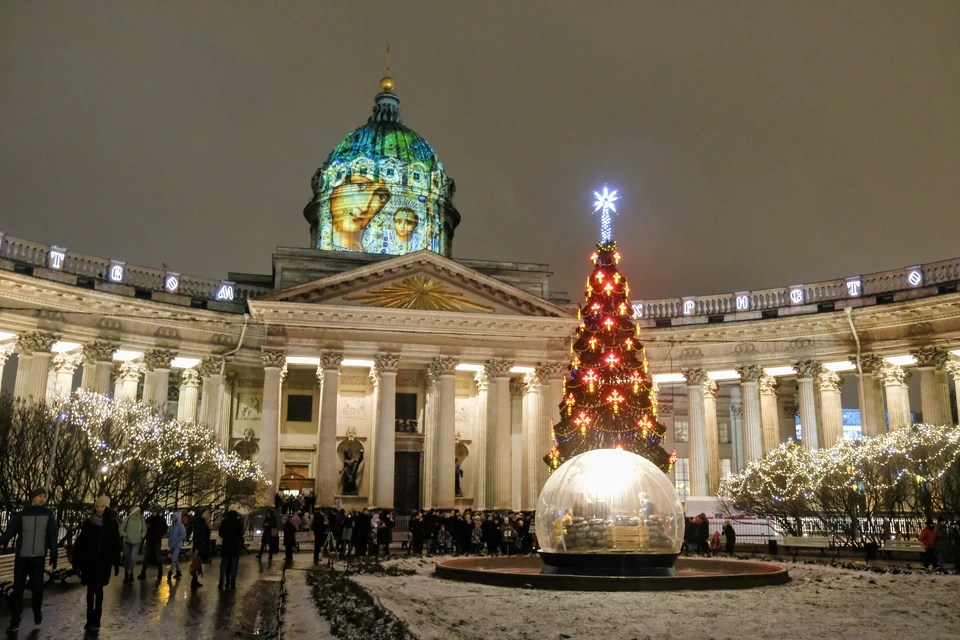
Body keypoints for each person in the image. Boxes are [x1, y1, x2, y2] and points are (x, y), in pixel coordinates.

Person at [0, 487, 58, 634]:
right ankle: (14, 622)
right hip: (22, 559)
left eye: (44, 496)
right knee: (18, 591)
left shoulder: (48, 515)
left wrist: (54, 553)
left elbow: (52, 535)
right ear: (33, 497)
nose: (42, 499)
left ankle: (37, 611)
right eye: (40, 496)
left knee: (37, 589)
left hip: (38, 559)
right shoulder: (22, 515)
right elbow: (9, 533)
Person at [72, 496, 121, 633]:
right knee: (90, 590)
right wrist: (77, 561)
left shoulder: (111, 524)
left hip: (103, 562)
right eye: (98, 506)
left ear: (107, 508)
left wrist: (116, 562)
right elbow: (81, 543)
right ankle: (89, 619)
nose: (99, 509)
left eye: (102, 506)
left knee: (98, 589)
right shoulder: (89, 523)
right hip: (89, 562)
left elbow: (115, 545)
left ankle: (97, 617)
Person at [138, 506, 167, 581]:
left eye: (154, 512)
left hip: (156, 540)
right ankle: (143, 573)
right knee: (146, 557)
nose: (153, 513)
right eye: (152, 512)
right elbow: (145, 528)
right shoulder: (149, 519)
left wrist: (159, 534)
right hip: (149, 540)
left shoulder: (161, 520)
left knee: (158, 557)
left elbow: (165, 528)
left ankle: (160, 572)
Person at [118, 506, 146, 582]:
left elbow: (144, 530)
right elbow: (121, 529)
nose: (139, 512)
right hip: (127, 542)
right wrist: (126, 535)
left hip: (136, 542)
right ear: (134, 511)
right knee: (127, 559)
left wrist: (141, 536)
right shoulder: (127, 519)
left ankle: (131, 574)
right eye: (138, 511)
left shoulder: (141, 520)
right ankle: (126, 574)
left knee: (133, 558)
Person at [218, 510, 244, 590]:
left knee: (224, 564)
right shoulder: (238, 523)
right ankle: (232, 582)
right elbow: (241, 533)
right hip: (235, 546)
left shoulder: (224, 522)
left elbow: (220, 533)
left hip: (226, 545)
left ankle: (221, 581)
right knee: (233, 565)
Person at [167, 510, 187, 580]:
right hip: (172, 545)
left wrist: (177, 541)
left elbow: (183, 535)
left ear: (177, 517)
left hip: (177, 545)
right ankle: (178, 571)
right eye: (172, 517)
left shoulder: (180, 525)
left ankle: (170, 572)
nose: (172, 518)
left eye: (173, 517)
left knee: (173, 559)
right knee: (175, 559)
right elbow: (169, 534)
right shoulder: (172, 526)